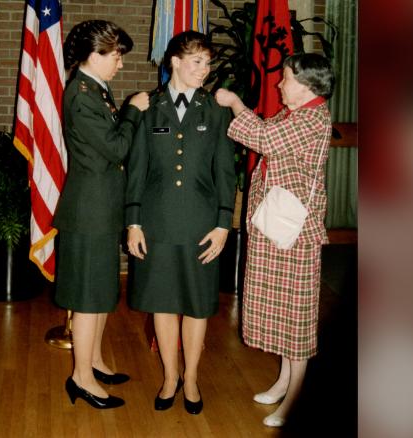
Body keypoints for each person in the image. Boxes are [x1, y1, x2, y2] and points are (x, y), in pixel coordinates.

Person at [215, 53, 335, 427]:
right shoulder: (294, 114)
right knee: (283, 311)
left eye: (285, 79)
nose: (279, 84)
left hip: (295, 232)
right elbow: (269, 134)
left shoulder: (314, 118)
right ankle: (283, 383)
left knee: (296, 320)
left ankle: (296, 397)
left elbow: (264, 138)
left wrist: (235, 104)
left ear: (307, 84)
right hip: (277, 225)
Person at [125, 31, 236, 415]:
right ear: (174, 61)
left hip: (200, 225)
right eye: (196, 62)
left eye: (207, 63)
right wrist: (134, 223)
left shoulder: (215, 110)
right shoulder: (148, 107)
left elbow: (225, 172)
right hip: (156, 222)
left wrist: (224, 224)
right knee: (162, 303)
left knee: (196, 305)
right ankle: (170, 376)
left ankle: (191, 379)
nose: (204, 70)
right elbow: (136, 171)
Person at [53, 20, 149, 409]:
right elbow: (116, 148)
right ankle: (81, 378)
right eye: (116, 56)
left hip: (101, 206)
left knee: (102, 291)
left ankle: (92, 361)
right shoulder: (82, 94)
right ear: (95, 56)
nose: (121, 64)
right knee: (90, 296)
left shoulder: (96, 88)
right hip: (88, 210)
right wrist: (132, 111)